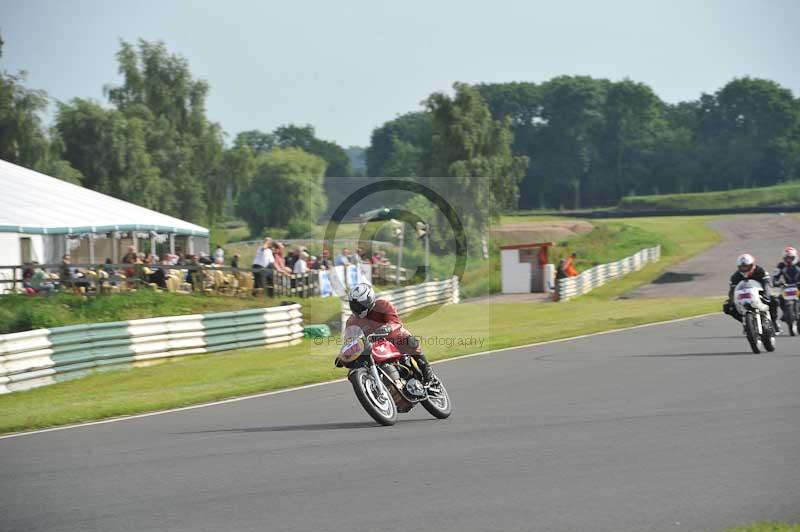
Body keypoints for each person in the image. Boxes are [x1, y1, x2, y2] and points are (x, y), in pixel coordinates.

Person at [345, 283, 435, 384]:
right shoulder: (351, 322)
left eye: (361, 304)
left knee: (406, 338)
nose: (358, 308)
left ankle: (425, 367)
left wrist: (387, 328)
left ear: (370, 299)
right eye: (355, 305)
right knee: (355, 365)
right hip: (371, 348)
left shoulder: (382, 305)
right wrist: (345, 355)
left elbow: (395, 322)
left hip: (390, 340)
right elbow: (349, 341)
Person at [723, 253, 781, 333]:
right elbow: (732, 290)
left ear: (752, 265)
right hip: (744, 297)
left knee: (774, 300)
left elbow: (767, 284)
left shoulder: (760, 271)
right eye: (742, 267)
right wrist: (731, 300)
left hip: (761, 294)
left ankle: (774, 321)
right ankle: (746, 322)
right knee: (727, 307)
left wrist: (766, 295)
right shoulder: (735, 276)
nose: (745, 269)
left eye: (747, 266)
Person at [772, 246, 800, 325]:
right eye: (787, 258)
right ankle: (786, 312)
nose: (789, 260)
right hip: (787, 287)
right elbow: (775, 276)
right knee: (779, 298)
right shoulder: (781, 265)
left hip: (799, 286)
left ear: (795, 257)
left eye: (791, 258)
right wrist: (776, 282)